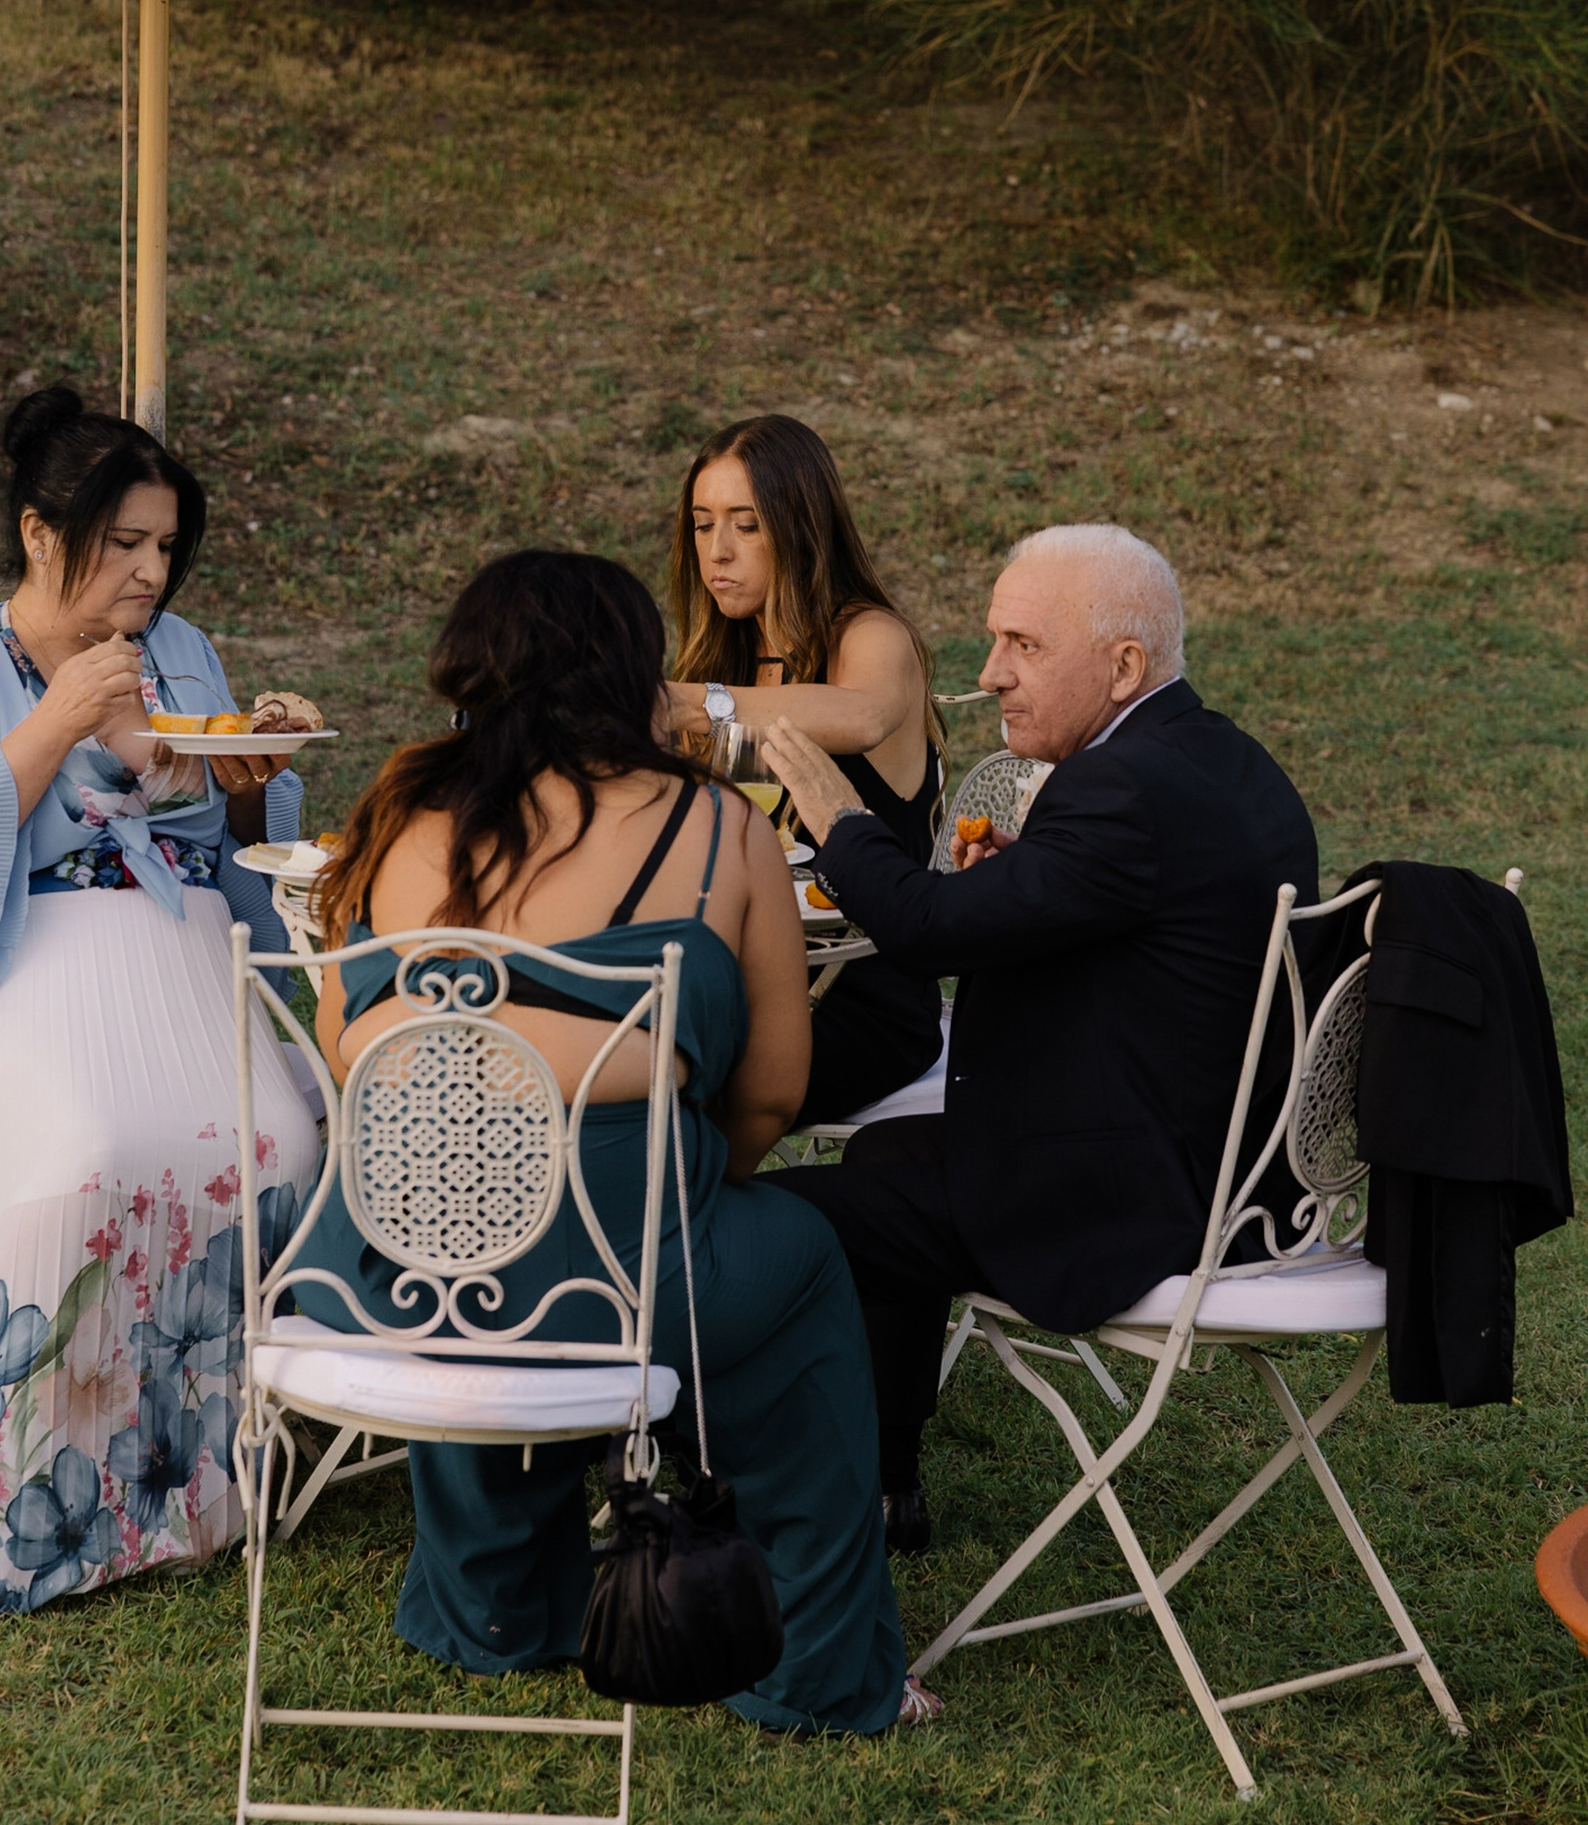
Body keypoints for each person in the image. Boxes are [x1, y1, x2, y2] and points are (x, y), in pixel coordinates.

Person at [295, 549, 915, 1735]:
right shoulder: (714, 829)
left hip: (393, 1275)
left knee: (481, 1222)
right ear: (636, 673)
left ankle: (497, 1609)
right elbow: (772, 1095)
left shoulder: (391, 814)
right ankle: (812, 1666)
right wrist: (697, 1186)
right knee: (799, 1262)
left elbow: (343, 1051)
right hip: (623, 1276)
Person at [0, 385, 320, 1614]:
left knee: (282, 1139)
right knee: (85, 1155)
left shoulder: (184, 653)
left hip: (175, 950)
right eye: (125, 543)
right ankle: (33, 1480)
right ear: (41, 533)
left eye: (165, 546)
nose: (152, 572)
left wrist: (255, 778)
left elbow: (229, 841)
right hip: (12, 957)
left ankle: (197, 1477)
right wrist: (57, 720)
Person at [760, 521, 1319, 1553]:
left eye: (1023, 645)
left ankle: (746, 1492)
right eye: (994, 641)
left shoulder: (1121, 789)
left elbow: (924, 931)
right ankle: (883, 1489)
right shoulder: (1218, 758)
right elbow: (1140, 930)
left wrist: (840, 816)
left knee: (770, 1219)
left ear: (1124, 667)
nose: (990, 674)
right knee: (884, 1154)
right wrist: (1028, 877)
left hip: (1126, 1203)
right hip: (1225, 1173)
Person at [666, 413, 946, 1125]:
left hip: (861, 1002)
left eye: (747, 524)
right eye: (702, 525)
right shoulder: (726, 661)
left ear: (801, 527)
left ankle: (712, 1197)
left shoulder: (871, 637)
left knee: (667, 1097)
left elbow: (863, 715)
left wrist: (690, 704)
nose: (718, 550)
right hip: (738, 983)